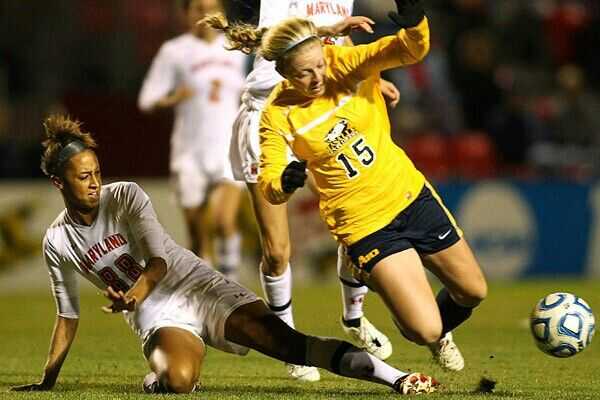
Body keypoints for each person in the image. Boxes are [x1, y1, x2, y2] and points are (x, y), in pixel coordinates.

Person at [10, 115, 438, 395]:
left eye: (96, 172)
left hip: (197, 285)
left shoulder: (125, 196)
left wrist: (134, 293)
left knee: (291, 346)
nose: (94, 182)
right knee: (179, 382)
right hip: (157, 315)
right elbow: (67, 315)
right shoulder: (57, 241)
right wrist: (48, 381)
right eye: (83, 176)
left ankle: (397, 378)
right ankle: (163, 376)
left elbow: (158, 263)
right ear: (59, 183)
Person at [209, 0, 488, 372]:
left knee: (473, 291)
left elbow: (407, 49)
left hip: (408, 194)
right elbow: (271, 181)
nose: (318, 78)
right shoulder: (277, 114)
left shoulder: (343, 64)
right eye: (305, 73)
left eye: (319, 66)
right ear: (284, 72)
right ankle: (368, 297)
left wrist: (415, 23)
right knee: (424, 329)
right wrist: (284, 183)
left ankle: (406, 310)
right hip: (365, 223)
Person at [218, 0, 398, 381]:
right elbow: (272, 41)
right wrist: (325, 31)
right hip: (267, 115)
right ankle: (289, 345)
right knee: (277, 251)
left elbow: (339, 47)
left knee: (359, 216)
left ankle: (353, 316)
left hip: (322, 111)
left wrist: (368, 77)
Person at [138, 0, 245, 280]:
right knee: (198, 237)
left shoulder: (238, 47)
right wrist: (173, 98)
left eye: (212, 7)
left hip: (228, 149)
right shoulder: (174, 51)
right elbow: (147, 99)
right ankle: (207, 290)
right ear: (185, 14)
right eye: (198, 8)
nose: (206, 15)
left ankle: (231, 286)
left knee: (223, 220)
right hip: (189, 152)